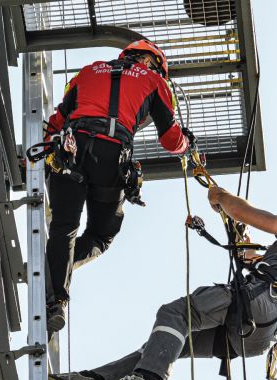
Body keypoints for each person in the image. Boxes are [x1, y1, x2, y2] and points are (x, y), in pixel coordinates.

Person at [47, 188, 277, 380]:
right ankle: (95, 378)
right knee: (164, 345)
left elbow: (246, 212)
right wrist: (238, 234)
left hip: (258, 304)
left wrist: (222, 196)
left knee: (176, 313)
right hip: (258, 337)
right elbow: (250, 256)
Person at [42, 39, 194, 333]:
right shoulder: (154, 82)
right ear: (152, 63)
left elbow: (58, 119)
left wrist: (36, 157)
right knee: (100, 235)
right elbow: (171, 140)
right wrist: (187, 143)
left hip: (71, 149)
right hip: (111, 158)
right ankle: (57, 269)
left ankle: (56, 299)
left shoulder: (88, 72)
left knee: (63, 227)